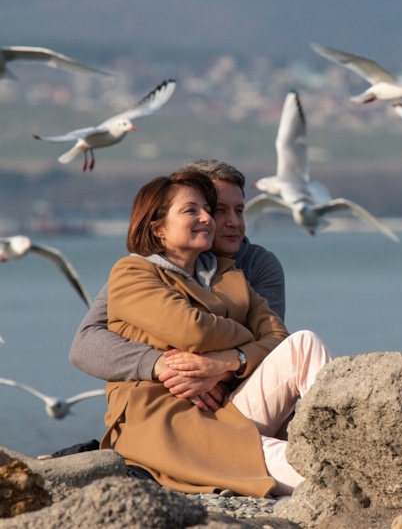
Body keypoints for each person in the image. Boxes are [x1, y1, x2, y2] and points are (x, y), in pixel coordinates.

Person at [100, 167, 332, 497]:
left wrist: (230, 361)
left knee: (304, 343)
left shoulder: (228, 272)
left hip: (226, 408)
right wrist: (248, 337)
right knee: (321, 475)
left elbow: (279, 338)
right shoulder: (132, 272)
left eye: (208, 210)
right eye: (191, 210)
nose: (208, 219)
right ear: (159, 228)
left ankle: (349, 436)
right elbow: (193, 330)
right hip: (172, 424)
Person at [70, 159, 285, 412]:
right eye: (218, 210)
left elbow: (274, 347)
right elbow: (86, 345)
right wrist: (163, 365)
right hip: (172, 401)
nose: (233, 222)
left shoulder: (256, 264)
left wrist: (218, 370)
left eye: (239, 210)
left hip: (244, 395)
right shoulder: (145, 269)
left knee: (305, 345)